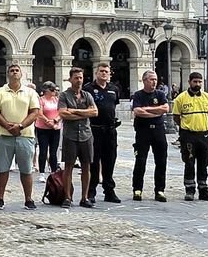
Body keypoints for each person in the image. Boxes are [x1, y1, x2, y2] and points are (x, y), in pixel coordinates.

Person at [0, 64, 40, 211]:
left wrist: (20, 126)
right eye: (11, 71)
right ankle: (0, 198)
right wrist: (7, 126)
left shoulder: (30, 92)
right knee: (2, 169)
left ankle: (28, 199)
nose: (14, 73)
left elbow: (34, 112)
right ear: (7, 74)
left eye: (17, 70)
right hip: (4, 135)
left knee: (26, 169)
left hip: (25, 135)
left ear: (21, 74)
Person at [172, 72, 208, 202]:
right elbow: (176, 117)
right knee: (189, 162)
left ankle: (203, 190)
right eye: (195, 82)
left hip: (203, 134)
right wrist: (186, 127)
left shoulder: (207, 98)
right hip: (188, 135)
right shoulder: (181, 98)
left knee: (204, 163)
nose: (197, 84)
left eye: (199, 82)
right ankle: (190, 190)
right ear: (189, 82)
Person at [58, 67, 98, 209]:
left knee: (86, 166)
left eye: (81, 77)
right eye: (76, 77)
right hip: (70, 135)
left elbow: (94, 112)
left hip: (86, 135)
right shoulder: (64, 96)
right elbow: (63, 113)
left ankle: (84, 197)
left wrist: (74, 111)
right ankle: (67, 197)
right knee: (68, 166)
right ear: (70, 79)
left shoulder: (87, 95)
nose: (79, 80)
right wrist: (84, 113)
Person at [83, 63, 122, 204]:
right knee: (94, 161)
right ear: (96, 73)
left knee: (110, 160)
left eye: (106, 71)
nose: (104, 74)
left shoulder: (114, 89)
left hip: (110, 130)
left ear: (110, 74)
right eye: (101, 71)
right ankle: (91, 191)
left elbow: (114, 106)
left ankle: (109, 191)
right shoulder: (88, 89)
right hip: (94, 129)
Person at [131, 70, 170, 203]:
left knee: (161, 161)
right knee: (140, 161)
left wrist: (147, 109)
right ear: (144, 80)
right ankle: (137, 189)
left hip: (158, 131)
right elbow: (137, 111)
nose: (154, 82)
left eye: (155, 79)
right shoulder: (138, 95)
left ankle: (159, 190)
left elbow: (165, 108)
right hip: (143, 131)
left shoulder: (160, 94)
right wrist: (155, 112)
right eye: (151, 79)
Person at [35, 81, 61, 183]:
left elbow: (61, 112)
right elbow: (39, 113)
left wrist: (55, 121)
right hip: (42, 128)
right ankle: (42, 173)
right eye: (52, 90)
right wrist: (48, 122)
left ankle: (53, 172)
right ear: (46, 90)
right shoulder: (41, 100)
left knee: (54, 152)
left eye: (55, 89)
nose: (54, 91)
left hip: (55, 128)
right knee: (43, 151)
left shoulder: (57, 100)